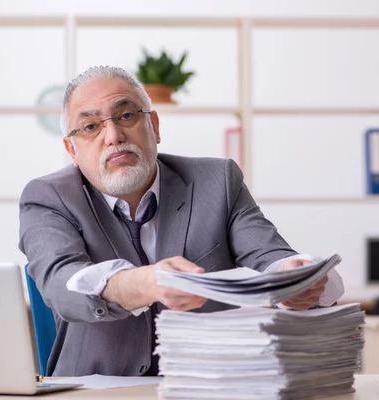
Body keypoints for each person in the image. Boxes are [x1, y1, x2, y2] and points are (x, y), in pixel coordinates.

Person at [19, 66, 344, 377]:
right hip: (96, 387)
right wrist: (144, 283)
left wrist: (298, 279)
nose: (114, 136)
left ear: (155, 126)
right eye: (91, 127)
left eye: (127, 115)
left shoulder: (218, 182)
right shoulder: (47, 197)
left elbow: (271, 257)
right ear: (71, 150)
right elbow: (62, 283)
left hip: (209, 385)